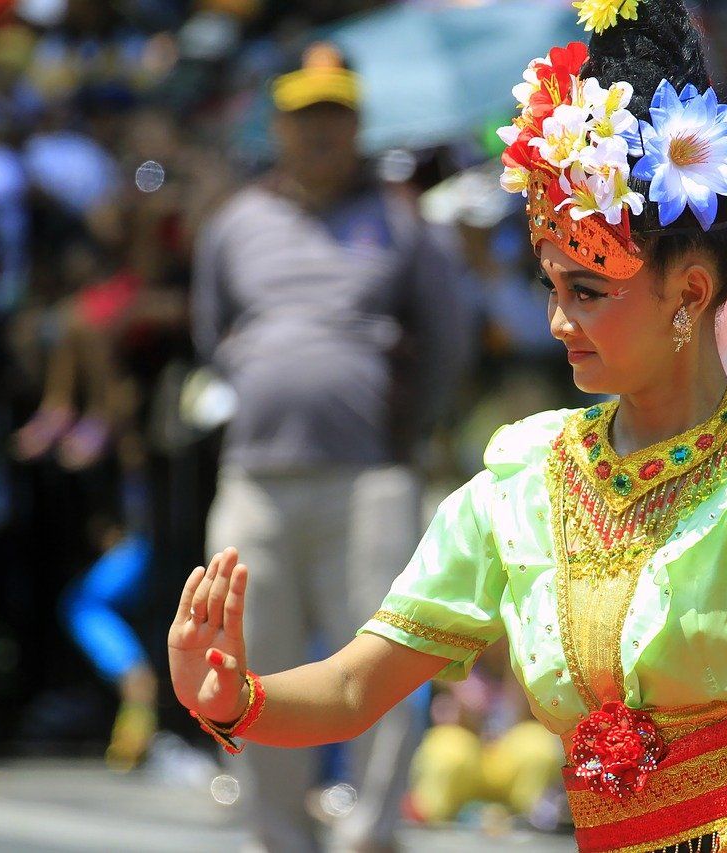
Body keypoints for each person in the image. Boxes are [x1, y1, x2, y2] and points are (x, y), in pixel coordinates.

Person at [170, 3, 727, 850]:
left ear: (690, 294)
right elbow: (352, 688)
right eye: (551, 289)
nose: (559, 321)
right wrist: (235, 697)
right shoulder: (525, 479)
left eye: (587, 292)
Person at [189, 43, 472, 853]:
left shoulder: (400, 223)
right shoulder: (235, 224)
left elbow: (446, 343)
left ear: (357, 124)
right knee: (249, 665)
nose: (321, 130)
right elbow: (215, 339)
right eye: (306, 114)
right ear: (277, 124)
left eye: (335, 114)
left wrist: (400, 431)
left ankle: (370, 831)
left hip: (369, 475)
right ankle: (280, 834)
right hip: (256, 476)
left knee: (385, 655)